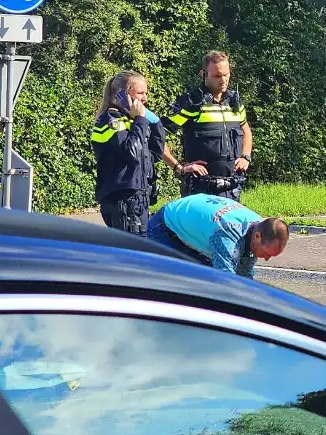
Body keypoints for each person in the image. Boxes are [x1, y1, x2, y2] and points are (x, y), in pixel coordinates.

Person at [160, 50, 253, 201]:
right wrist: (179, 168)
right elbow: (157, 134)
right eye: (217, 76)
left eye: (226, 74)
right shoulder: (191, 103)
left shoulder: (234, 102)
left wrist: (246, 157)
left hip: (232, 188)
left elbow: (246, 130)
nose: (223, 80)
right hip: (200, 189)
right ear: (203, 74)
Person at [146, 193, 288, 277]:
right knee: (179, 283)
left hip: (192, 218)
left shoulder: (259, 225)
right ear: (257, 236)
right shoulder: (227, 234)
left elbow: (244, 274)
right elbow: (226, 280)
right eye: (267, 253)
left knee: (205, 277)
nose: (267, 259)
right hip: (164, 227)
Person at [91, 71, 154, 235]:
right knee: (134, 256)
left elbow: (156, 150)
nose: (145, 99)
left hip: (139, 201)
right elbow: (131, 151)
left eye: (146, 93)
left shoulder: (131, 121)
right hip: (124, 203)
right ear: (120, 95)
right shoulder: (111, 120)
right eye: (140, 93)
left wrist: (150, 119)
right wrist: (140, 120)